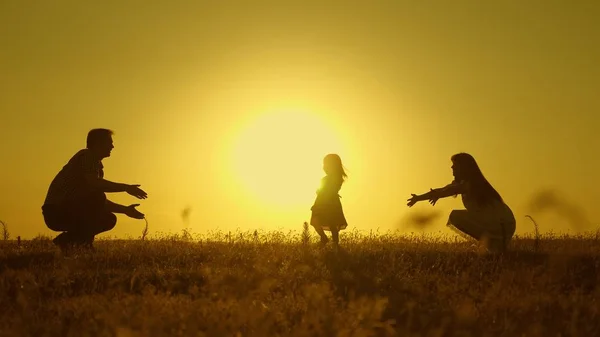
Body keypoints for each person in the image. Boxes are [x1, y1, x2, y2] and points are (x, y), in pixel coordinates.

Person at [41, 128, 148, 252]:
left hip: (64, 211)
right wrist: (125, 188)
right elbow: (96, 189)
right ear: (98, 143)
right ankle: (81, 244)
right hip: (56, 212)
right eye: (109, 142)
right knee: (98, 199)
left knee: (109, 219)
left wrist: (125, 210)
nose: (112, 146)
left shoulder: (94, 165)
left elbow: (98, 199)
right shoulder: (87, 156)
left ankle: (70, 242)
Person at [406, 153, 516, 252]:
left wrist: (424, 197)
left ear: (463, 168)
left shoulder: (469, 184)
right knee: (460, 217)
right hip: (504, 222)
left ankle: (493, 246)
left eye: (455, 165)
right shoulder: (467, 183)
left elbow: (446, 191)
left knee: (455, 216)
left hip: (501, 223)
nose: (452, 167)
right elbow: (443, 190)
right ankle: (494, 248)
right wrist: (424, 197)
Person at [310, 153, 349, 247]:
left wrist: (320, 191)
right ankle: (325, 239)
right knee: (317, 221)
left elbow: (329, 190)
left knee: (332, 223)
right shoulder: (330, 178)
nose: (324, 167)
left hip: (328, 203)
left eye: (326, 164)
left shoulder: (335, 178)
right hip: (323, 202)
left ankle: (334, 243)